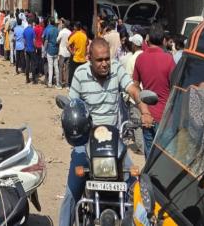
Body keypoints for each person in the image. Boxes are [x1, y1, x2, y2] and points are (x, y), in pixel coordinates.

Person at [60, 38, 153, 226]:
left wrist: (145, 111)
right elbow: (71, 105)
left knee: (134, 187)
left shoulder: (117, 69)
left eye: (106, 59)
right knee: (71, 193)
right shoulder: (80, 74)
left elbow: (133, 90)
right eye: (99, 60)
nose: (104, 64)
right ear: (89, 58)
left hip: (114, 140)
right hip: (87, 140)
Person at [132, 23, 176, 156]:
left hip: (148, 117)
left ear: (147, 39)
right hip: (166, 118)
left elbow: (135, 86)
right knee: (165, 158)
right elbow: (175, 88)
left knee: (150, 157)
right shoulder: (169, 59)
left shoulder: (140, 58)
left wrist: (143, 111)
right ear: (164, 41)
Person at [67, 22, 88, 86]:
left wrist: (72, 53)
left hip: (76, 58)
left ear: (75, 27)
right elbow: (86, 45)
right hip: (83, 59)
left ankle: (71, 85)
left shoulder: (74, 35)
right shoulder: (84, 35)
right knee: (82, 74)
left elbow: (67, 45)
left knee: (72, 73)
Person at [43, 17, 60, 88]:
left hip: (50, 50)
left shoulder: (48, 30)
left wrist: (44, 49)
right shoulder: (57, 30)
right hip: (56, 50)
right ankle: (58, 83)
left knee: (50, 67)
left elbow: (46, 41)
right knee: (56, 67)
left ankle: (50, 83)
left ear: (50, 22)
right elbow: (58, 40)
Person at [57, 19, 72, 88]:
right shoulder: (70, 32)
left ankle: (60, 84)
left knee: (60, 68)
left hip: (62, 52)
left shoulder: (61, 32)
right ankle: (67, 85)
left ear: (64, 25)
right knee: (67, 69)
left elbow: (57, 40)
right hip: (68, 53)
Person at [23, 18, 37, 84]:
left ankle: (27, 79)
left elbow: (24, 41)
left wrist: (25, 47)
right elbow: (34, 40)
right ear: (31, 23)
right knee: (33, 64)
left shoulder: (25, 30)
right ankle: (34, 80)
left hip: (27, 49)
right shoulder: (32, 30)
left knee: (27, 64)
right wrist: (35, 47)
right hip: (32, 49)